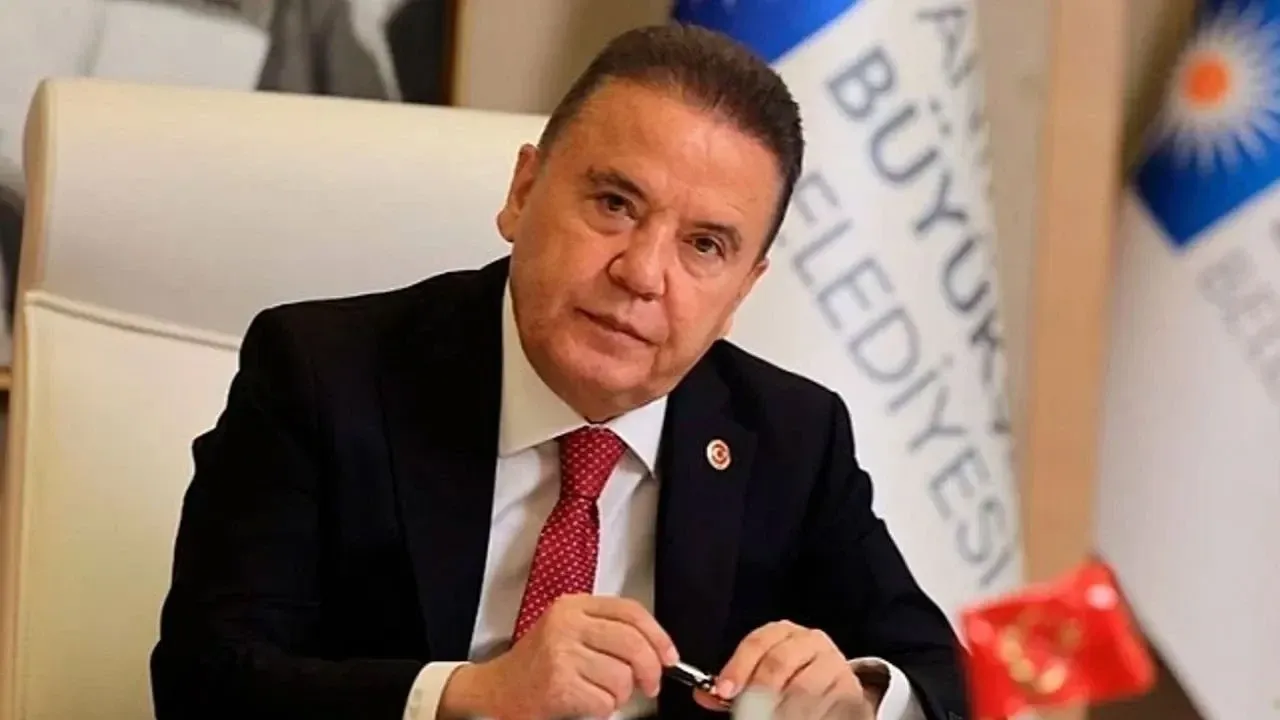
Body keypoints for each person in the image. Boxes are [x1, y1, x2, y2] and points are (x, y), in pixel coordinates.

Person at [150, 23, 968, 720]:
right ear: (523, 191)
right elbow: (205, 681)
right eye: (615, 204)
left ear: (742, 292)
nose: (642, 274)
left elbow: (946, 678)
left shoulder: (791, 435)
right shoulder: (324, 376)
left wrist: (861, 693)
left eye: (704, 245)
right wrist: (473, 695)